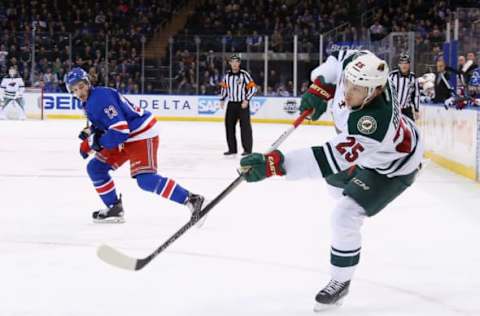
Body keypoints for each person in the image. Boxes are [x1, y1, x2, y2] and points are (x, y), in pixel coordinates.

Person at [239, 50, 424, 311]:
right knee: (334, 186)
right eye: (347, 83)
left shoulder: (372, 124)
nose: (348, 92)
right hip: (364, 157)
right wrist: (322, 83)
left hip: (393, 168)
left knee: (344, 216)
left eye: (357, 89)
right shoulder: (361, 66)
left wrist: (274, 165)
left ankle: (340, 282)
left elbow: (324, 160)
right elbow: (339, 58)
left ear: (374, 92)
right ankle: (352, 214)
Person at [66, 67, 204, 223]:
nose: (80, 92)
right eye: (75, 89)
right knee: (96, 168)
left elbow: (120, 130)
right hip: (125, 137)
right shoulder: (91, 100)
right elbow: (109, 123)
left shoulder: (99, 98)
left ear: (88, 83)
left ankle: (191, 199)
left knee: (145, 180)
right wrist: (91, 132)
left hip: (140, 133)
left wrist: (95, 143)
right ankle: (114, 208)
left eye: (82, 86)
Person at [220, 54, 257, 156]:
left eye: (237, 62)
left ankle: (247, 150)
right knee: (229, 126)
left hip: (242, 104)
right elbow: (224, 88)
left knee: (245, 127)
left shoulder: (244, 74)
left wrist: (246, 100)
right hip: (231, 104)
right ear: (230, 63)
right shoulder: (227, 76)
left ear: (239, 63)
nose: (235, 64)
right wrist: (222, 99)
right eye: (233, 62)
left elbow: (253, 88)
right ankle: (232, 149)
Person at [388, 54, 420, 121]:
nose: (404, 65)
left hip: (407, 110)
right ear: (399, 65)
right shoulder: (392, 76)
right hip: (393, 109)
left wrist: (416, 110)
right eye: (402, 63)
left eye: (406, 63)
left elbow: (416, 95)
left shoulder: (413, 78)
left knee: (412, 129)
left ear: (409, 65)